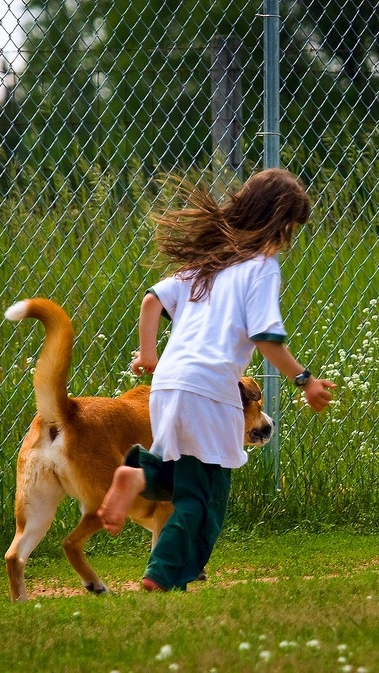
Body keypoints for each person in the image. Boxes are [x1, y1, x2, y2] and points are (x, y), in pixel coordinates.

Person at [96, 168, 335, 592]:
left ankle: (138, 474)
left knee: (190, 476)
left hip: (167, 384)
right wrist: (305, 379)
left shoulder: (207, 262)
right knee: (199, 500)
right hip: (208, 391)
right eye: (289, 228)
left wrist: (149, 355)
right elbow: (265, 337)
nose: (287, 239)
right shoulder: (261, 267)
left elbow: (152, 300)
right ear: (277, 222)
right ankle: (161, 575)